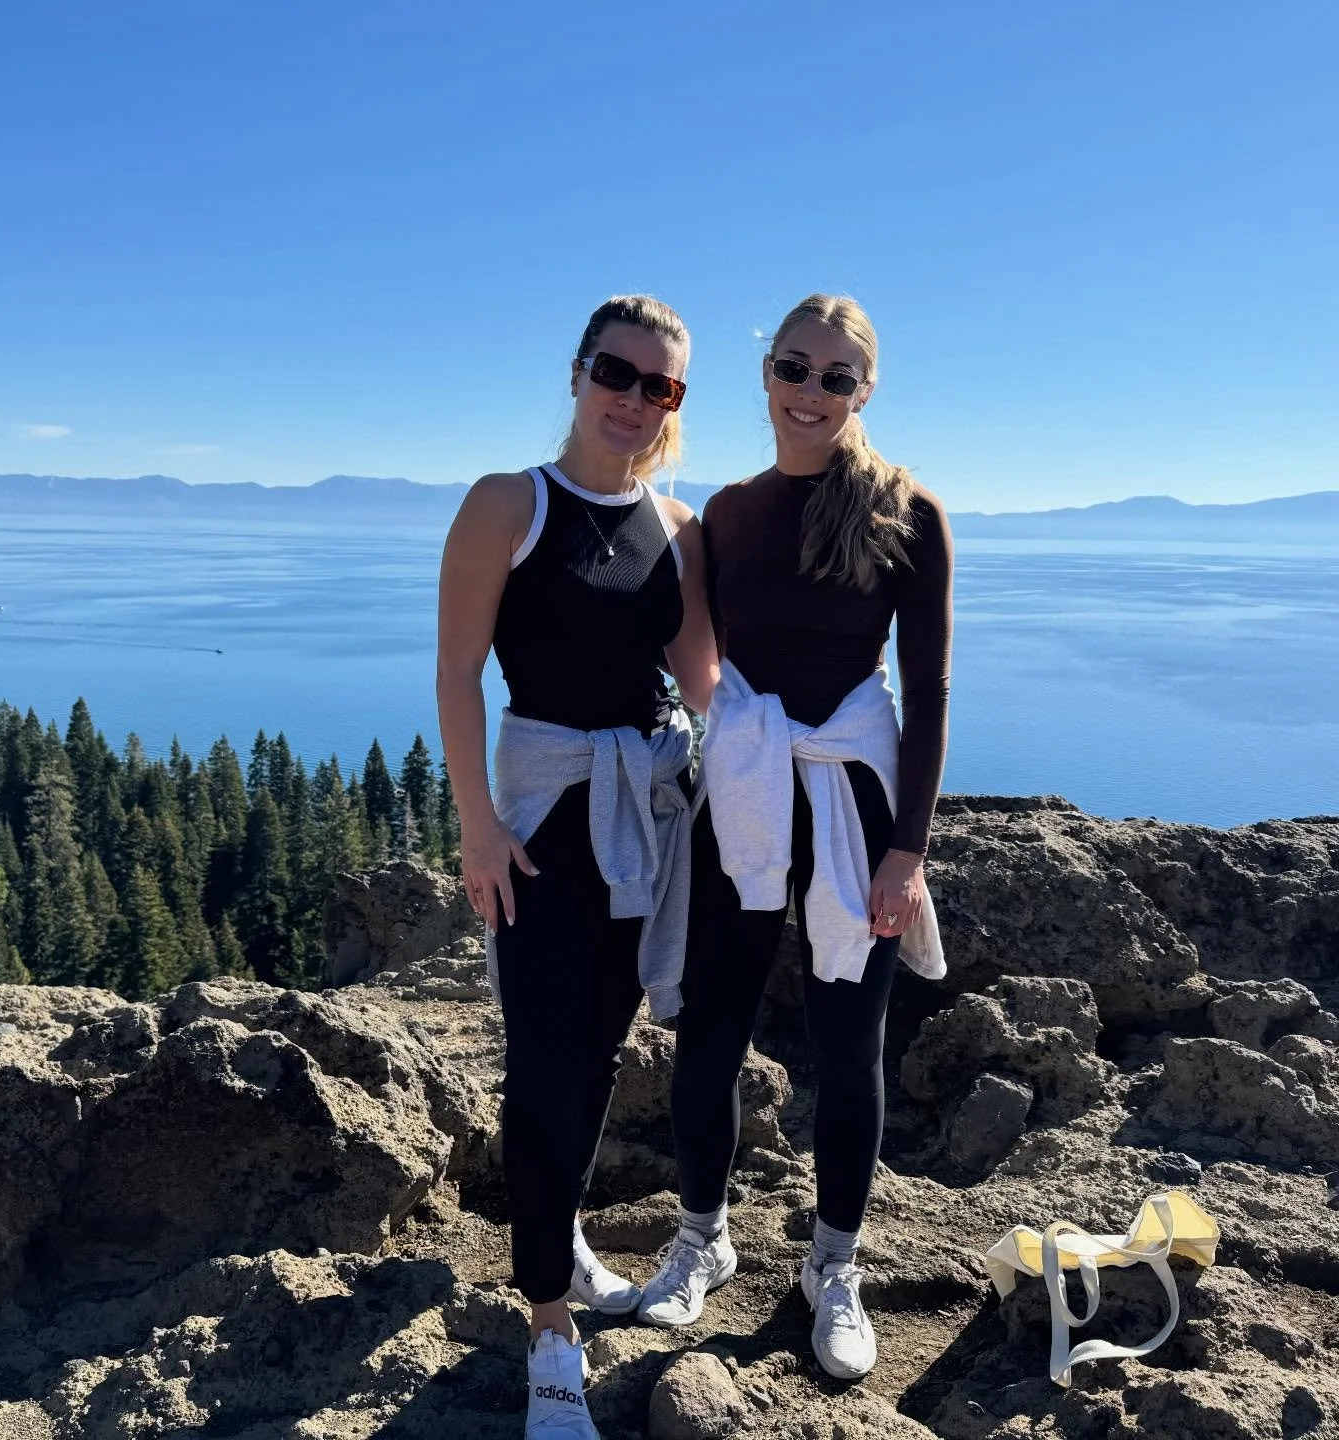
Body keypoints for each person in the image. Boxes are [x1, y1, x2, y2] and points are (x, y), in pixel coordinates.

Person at [637, 293, 952, 1382]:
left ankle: (835, 1266)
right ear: (765, 373)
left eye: (835, 377)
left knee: (849, 1046)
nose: (810, 392)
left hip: (852, 804)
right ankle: (702, 1240)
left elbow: (929, 692)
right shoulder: (727, 514)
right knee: (708, 1032)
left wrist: (907, 850)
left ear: (865, 391)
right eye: (793, 367)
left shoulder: (907, 512)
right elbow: (690, 652)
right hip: (745, 792)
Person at [437, 295, 719, 1438]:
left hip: (644, 819)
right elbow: (458, 673)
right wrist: (477, 826)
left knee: (600, 1054)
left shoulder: (676, 525)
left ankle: (560, 1241)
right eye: (618, 371)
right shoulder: (510, 503)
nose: (634, 398)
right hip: (546, 821)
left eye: (661, 385)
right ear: (577, 371)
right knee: (544, 1066)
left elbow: (706, 683)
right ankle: (550, 1330)